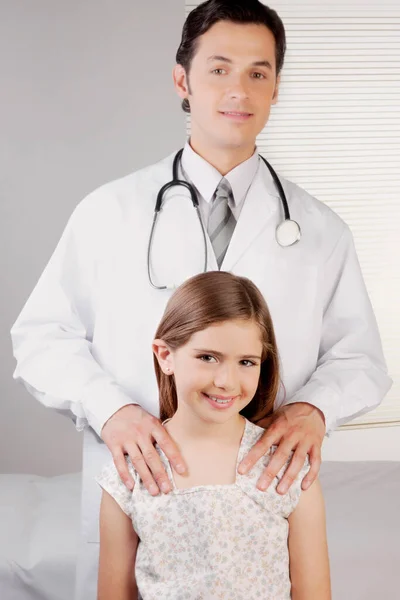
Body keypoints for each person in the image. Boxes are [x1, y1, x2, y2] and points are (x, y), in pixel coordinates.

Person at [10, 1, 391, 599]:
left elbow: (360, 358)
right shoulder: (109, 212)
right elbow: (40, 338)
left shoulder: (319, 230)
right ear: (182, 80)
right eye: (219, 68)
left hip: (257, 494)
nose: (238, 89)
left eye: (258, 72)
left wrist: (314, 409)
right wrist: (113, 410)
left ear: (275, 88)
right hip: (142, 487)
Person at [96, 271, 331, 600]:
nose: (226, 381)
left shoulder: (286, 469)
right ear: (166, 356)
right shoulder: (131, 473)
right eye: (208, 357)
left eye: (247, 362)